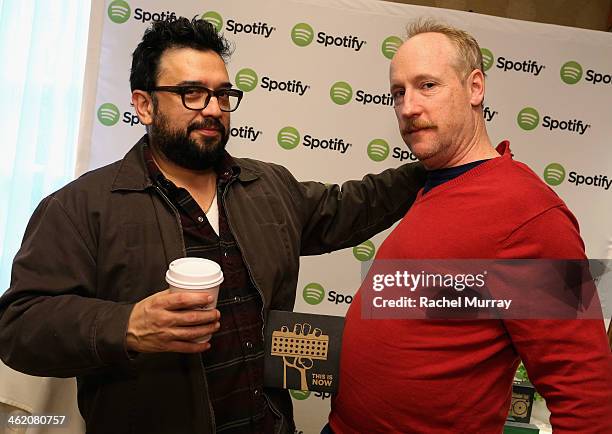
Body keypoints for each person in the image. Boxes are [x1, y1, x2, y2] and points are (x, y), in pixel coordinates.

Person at [0, 18, 426, 434]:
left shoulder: (268, 185)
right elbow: (19, 326)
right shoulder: (81, 206)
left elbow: (350, 206)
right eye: (191, 93)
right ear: (144, 105)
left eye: (223, 95)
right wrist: (127, 325)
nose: (212, 109)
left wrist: (435, 163)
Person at [328, 19, 612, 433]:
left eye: (427, 85)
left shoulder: (527, 211)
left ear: (475, 88)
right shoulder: (433, 182)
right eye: (398, 92)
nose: (408, 107)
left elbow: (584, 391)